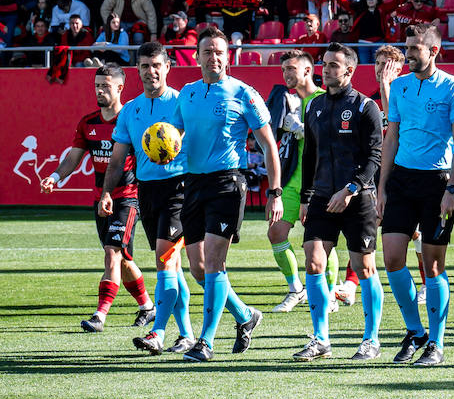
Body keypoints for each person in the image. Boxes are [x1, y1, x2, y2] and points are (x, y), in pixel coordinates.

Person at [171, 27, 281, 362]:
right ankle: (246, 316)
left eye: (219, 51)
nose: (214, 57)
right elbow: (174, 136)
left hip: (228, 184)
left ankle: (205, 341)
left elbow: (268, 144)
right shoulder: (186, 94)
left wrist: (275, 192)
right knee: (198, 268)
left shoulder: (243, 93)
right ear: (198, 56)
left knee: (215, 263)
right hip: (192, 184)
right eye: (207, 52)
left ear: (227, 55)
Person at [376, 22, 454, 367]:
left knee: (432, 266)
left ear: (433, 51)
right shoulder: (399, 87)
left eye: (414, 49)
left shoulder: (452, 87)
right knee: (391, 259)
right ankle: (415, 331)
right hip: (401, 180)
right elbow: (391, 138)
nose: (407, 55)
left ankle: (436, 343)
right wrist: (382, 186)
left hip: (437, 182)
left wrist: (452, 188)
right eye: (406, 48)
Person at [40, 65, 155, 333]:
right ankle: (148, 307)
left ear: (120, 88)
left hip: (127, 198)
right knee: (123, 259)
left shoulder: (132, 120)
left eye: (105, 86)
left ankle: (99, 316)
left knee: (111, 253)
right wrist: (55, 178)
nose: (100, 91)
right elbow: (73, 158)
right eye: (97, 86)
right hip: (99, 200)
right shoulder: (88, 122)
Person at [100, 42, 196, 354]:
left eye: (156, 65)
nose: (151, 72)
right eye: (144, 66)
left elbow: (198, 143)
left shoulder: (183, 103)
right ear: (137, 70)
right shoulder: (130, 111)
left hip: (179, 190)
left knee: (163, 261)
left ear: (168, 67)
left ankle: (158, 332)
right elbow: (116, 161)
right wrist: (106, 193)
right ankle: (200, 330)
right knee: (175, 268)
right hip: (147, 192)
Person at [293, 44, 386, 361]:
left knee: (363, 267)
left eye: (334, 65)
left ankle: (371, 339)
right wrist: (306, 197)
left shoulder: (366, 107)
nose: (327, 69)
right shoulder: (313, 106)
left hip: (357, 198)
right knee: (314, 260)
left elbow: (375, 157)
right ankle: (320, 339)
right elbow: (309, 156)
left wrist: (349, 189)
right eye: (325, 64)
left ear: (350, 70)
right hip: (321, 197)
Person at [265, 50, 325, 312]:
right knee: (276, 232)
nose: (287, 74)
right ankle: (295, 289)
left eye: (291, 69)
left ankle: (329, 294)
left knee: (319, 242)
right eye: (284, 70)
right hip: (291, 180)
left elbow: (333, 141)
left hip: (320, 182)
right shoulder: (286, 100)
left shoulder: (323, 99)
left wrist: (303, 130)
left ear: (307, 71)